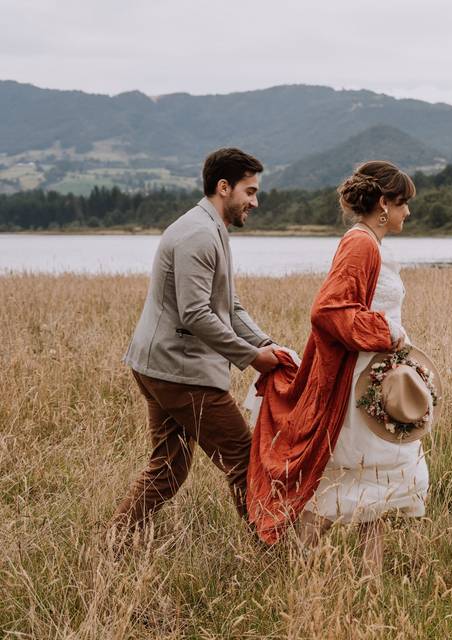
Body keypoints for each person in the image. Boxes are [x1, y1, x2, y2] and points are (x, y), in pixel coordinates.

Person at [248, 160, 432, 577]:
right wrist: (387, 332)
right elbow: (328, 310)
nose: (408, 213)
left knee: (378, 484)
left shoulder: (368, 241)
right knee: (357, 478)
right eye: (403, 204)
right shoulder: (361, 243)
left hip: (375, 377)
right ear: (383, 203)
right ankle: (283, 569)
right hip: (359, 381)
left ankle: (369, 583)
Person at [111, 147, 280, 538]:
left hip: (163, 365)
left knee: (168, 468)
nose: (255, 202)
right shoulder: (198, 235)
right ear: (224, 187)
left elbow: (229, 305)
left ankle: (113, 546)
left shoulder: (211, 227)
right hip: (179, 370)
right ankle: (273, 552)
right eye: (249, 192)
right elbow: (196, 314)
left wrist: (268, 344)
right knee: (245, 460)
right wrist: (253, 357)